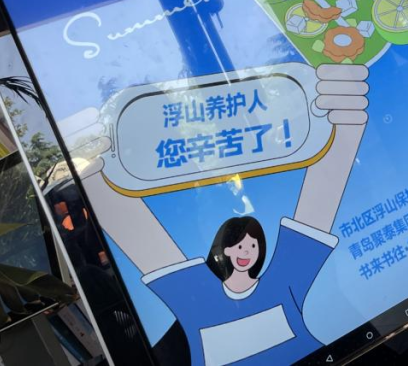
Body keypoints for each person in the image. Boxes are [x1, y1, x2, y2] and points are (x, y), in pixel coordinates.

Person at [78, 62, 369, 366]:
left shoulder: (278, 280)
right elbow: (139, 233)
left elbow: (317, 206)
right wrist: (86, 167)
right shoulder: (194, 298)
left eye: (252, 245)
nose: (245, 251)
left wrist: (345, 122)